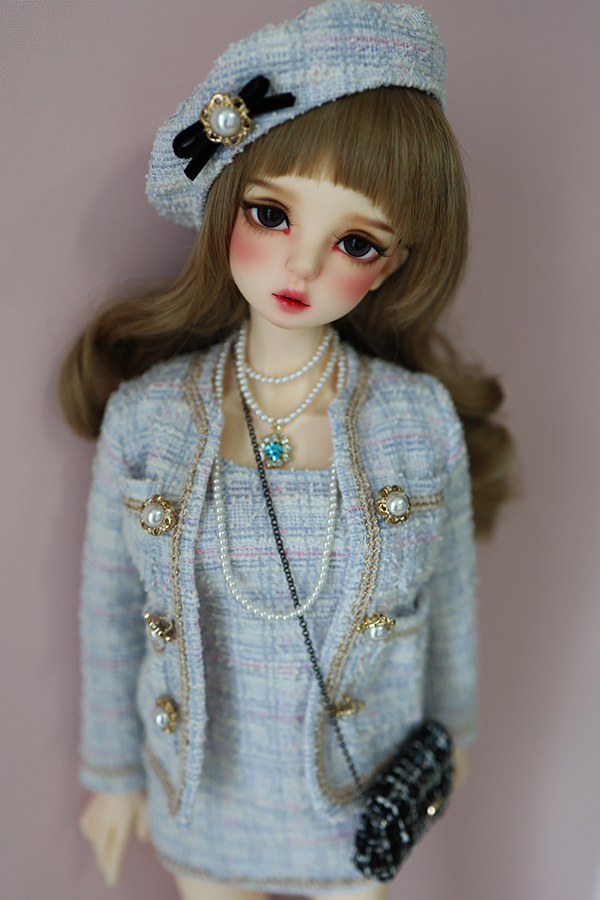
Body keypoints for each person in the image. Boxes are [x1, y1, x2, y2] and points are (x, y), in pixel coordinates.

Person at [60, 2, 512, 898]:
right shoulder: (149, 420)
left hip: (356, 799)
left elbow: (451, 601)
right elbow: (109, 608)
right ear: (224, 202)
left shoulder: (416, 421)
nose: (300, 266)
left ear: (392, 263)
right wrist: (111, 775)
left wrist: (450, 737)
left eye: (354, 241)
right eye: (271, 214)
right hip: (199, 796)